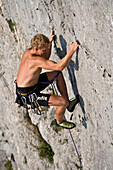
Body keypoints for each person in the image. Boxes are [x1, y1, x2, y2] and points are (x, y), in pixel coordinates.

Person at [16, 30, 80, 129]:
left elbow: (45, 58)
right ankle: (59, 121)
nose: (45, 52)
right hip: (28, 94)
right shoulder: (34, 60)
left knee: (57, 74)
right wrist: (71, 50)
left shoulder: (30, 51)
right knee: (62, 102)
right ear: (36, 48)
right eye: (44, 50)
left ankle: (68, 104)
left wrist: (49, 42)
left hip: (32, 84)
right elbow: (59, 66)